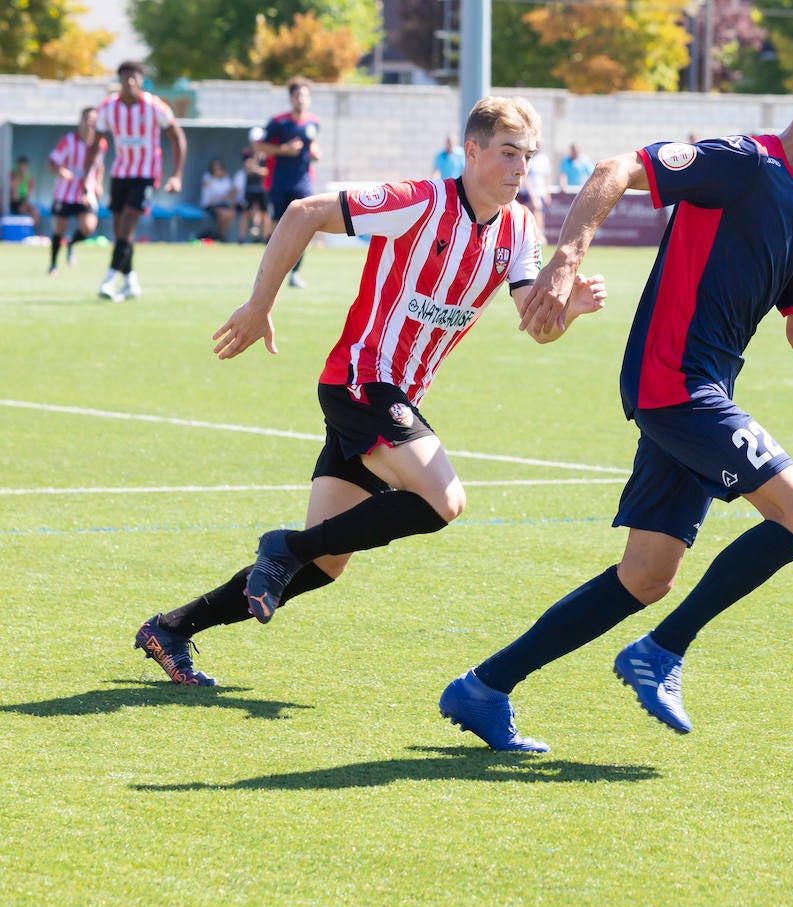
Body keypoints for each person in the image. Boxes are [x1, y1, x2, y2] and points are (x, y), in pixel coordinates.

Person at [438, 35, 793, 753]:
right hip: (674, 382)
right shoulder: (743, 163)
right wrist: (568, 256)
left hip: (698, 390)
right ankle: (661, 652)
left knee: (646, 574)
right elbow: (617, 170)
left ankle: (484, 687)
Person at [132, 96, 606, 688]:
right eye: (508, 154)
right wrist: (260, 304)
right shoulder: (419, 202)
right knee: (444, 500)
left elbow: (536, 328)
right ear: (473, 150)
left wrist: (571, 312)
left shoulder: (518, 230)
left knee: (326, 563)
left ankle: (171, 629)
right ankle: (282, 546)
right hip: (362, 379)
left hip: (395, 396)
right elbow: (304, 211)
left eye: (528, 157)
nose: (520, 169)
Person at [85, 59, 186, 303]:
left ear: (141, 81)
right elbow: (95, 142)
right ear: (119, 80)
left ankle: (109, 279)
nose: (130, 81)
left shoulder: (155, 106)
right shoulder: (108, 107)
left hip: (146, 173)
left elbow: (178, 138)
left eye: (135, 77)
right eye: (125, 76)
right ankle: (130, 281)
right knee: (120, 228)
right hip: (120, 173)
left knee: (127, 225)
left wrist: (176, 175)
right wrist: (87, 177)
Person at [257, 76, 321, 288]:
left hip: (302, 183)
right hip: (279, 182)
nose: (301, 99)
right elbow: (260, 147)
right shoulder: (278, 122)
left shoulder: (314, 122)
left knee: (305, 229)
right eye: (297, 95)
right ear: (291, 99)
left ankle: (295, 273)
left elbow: (312, 146)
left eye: (305, 95)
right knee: (278, 230)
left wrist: (314, 151)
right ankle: (269, 273)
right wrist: (284, 150)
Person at [46, 107, 106, 275]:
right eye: (86, 119)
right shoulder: (68, 140)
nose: (89, 124)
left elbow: (100, 165)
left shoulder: (100, 143)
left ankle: (71, 243)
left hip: (86, 192)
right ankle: (53, 265)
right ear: (80, 121)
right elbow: (52, 162)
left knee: (89, 226)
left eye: (93, 120)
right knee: (59, 228)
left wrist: (98, 184)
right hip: (65, 191)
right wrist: (61, 171)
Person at [234, 128, 269, 244]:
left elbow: (266, 172)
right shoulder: (247, 152)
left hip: (263, 188)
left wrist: (255, 168)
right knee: (245, 213)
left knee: (265, 213)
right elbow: (248, 169)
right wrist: (256, 159)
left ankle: (266, 238)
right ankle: (241, 239)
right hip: (249, 188)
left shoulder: (267, 154)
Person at [517, 147, 552, 244]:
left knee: (540, 214)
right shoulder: (528, 158)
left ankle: (539, 236)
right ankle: (534, 237)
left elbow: (547, 177)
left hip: (541, 192)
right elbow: (525, 177)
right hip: (527, 193)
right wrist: (532, 195)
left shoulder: (544, 159)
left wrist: (547, 193)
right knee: (532, 213)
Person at [200, 158, 236, 241]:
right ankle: (221, 236)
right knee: (223, 214)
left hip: (222, 204)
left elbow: (228, 193)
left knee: (231, 214)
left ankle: (221, 234)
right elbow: (207, 188)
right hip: (210, 205)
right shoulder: (207, 177)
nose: (217, 170)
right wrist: (215, 176)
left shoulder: (225, 179)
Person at [8, 156, 41, 224]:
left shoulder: (29, 179)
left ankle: (33, 231)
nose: (22, 168)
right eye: (21, 166)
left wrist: (26, 204)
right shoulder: (12, 175)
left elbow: (27, 196)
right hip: (12, 201)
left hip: (22, 202)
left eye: (24, 166)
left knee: (35, 212)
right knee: (22, 209)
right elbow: (13, 193)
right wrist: (18, 178)